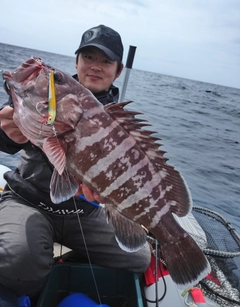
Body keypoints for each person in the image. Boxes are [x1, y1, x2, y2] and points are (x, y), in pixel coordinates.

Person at [0, 25, 151, 303]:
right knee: (20, 261)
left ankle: (58, 261)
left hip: (86, 213)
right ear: (77, 62)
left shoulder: (121, 122)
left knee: (139, 258)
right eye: (88, 57)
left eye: (106, 61)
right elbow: (8, 136)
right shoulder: (47, 93)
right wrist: (6, 126)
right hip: (29, 201)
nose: (95, 67)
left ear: (118, 71)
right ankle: (35, 261)